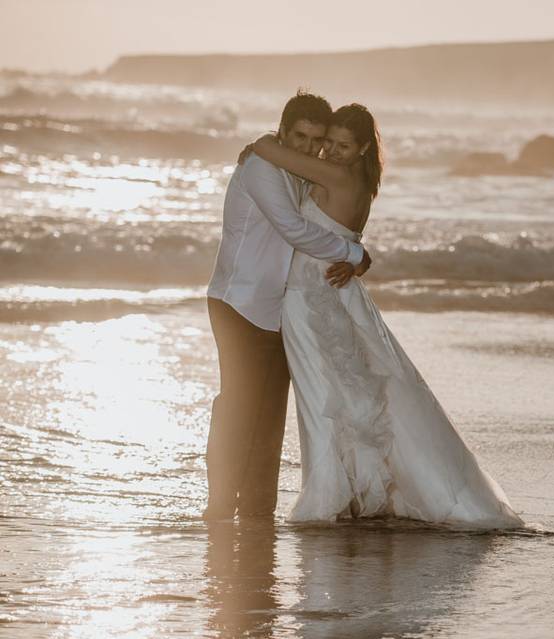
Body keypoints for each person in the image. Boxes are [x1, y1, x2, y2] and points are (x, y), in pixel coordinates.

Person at [244, 104, 523, 528]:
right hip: (333, 290)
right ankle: (352, 490)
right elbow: (339, 233)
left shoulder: (335, 175)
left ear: (360, 150)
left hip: (309, 295)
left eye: (342, 146)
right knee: (350, 395)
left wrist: (261, 143)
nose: (330, 153)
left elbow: (269, 149)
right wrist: (355, 258)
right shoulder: (362, 182)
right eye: (327, 144)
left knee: (325, 397)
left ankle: (330, 495)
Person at [205, 91, 371, 521]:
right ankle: (220, 507)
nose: (308, 149)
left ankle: (258, 510)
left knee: (269, 417)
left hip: (276, 310)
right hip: (238, 303)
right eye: (298, 137)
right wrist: (353, 254)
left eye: (315, 141)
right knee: (239, 407)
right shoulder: (261, 168)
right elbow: (294, 229)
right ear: (282, 131)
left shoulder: (293, 169)